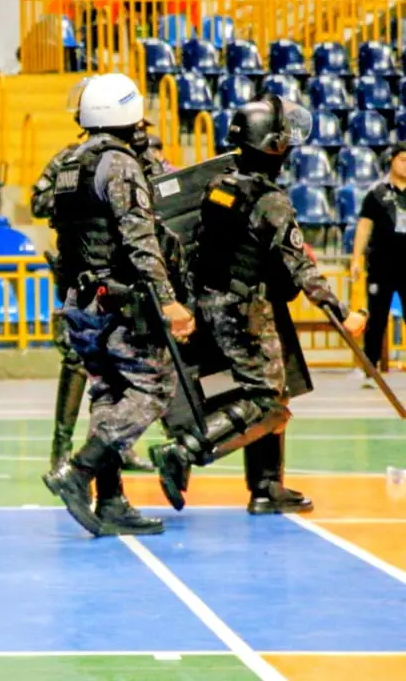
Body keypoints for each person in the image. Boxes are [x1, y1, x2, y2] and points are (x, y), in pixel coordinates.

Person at [149, 95, 367, 516]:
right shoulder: (272, 201)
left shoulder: (219, 185)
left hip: (211, 303)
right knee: (267, 402)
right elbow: (302, 267)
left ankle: (267, 487)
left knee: (269, 390)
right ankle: (183, 450)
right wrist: (343, 314)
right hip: (244, 311)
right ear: (272, 147)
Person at [42, 74, 196, 538]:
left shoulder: (69, 161)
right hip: (119, 301)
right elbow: (138, 237)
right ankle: (79, 471)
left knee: (108, 394)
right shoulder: (121, 163)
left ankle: (111, 501)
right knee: (154, 389)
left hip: (79, 299)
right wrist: (169, 301)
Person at [351, 142, 406, 376]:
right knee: (377, 318)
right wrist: (356, 258)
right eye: (402, 159)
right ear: (392, 161)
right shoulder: (377, 193)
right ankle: (369, 368)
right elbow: (364, 226)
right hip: (382, 265)